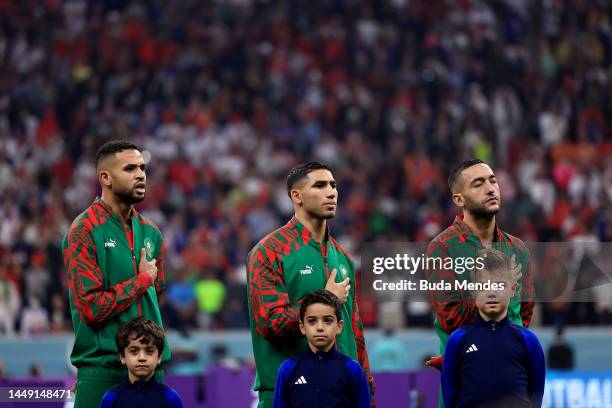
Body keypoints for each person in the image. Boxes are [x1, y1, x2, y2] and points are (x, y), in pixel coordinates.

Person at [247, 162, 375, 408]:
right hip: (286, 393)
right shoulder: (269, 251)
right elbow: (270, 323)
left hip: (343, 392)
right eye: (320, 185)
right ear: (296, 196)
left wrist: (367, 388)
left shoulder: (344, 257)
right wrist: (326, 298)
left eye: (333, 185)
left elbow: (355, 330)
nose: (331, 192)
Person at [62, 140, 169, 408]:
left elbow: (157, 293)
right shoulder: (83, 231)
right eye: (130, 168)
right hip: (103, 370)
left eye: (142, 168)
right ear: (105, 178)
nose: (141, 174)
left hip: (151, 374)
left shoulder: (151, 232)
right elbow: (91, 308)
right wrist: (141, 280)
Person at [425, 159, 535, 406]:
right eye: (478, 184)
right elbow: (449, 317)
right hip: (466, 385)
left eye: (493, 181)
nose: (490, 188)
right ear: (458, 199)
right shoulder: (441, 248)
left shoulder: (518, 249)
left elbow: (523, 314)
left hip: (514, 384)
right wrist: (496, 289)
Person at [441, 248, 545, 408]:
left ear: (512, 289)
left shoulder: (528, 340)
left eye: (500, 285)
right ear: (473, 290)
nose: (492, 293)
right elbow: (450, 395)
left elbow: (536, 393)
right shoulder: (458, 340)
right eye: (484, 286)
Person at [273, 290, 370, 408]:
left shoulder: (352, 369)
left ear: (339, 326)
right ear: (302, 327)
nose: (320, 327)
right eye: (312, 321)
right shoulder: (288, 369)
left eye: (327, 320)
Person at [100, 317, 182, 408]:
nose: (142, 358)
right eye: (134, 351)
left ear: (159, 357)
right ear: (122, 356)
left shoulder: (170, 398)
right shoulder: (111, 398)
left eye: (149, 351)